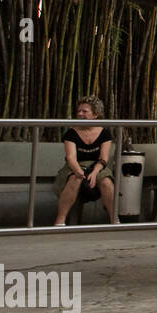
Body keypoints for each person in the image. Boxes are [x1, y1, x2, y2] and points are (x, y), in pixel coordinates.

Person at [52, 96, 115, 226]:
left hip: (98, 166)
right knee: (75, 179)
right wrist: (78, 171)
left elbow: (104, 158)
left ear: (96, 114)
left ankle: (114, 218)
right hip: (75, 165)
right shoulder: (71, 133)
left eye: (85, 111)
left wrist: (95, 172)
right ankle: (60, 219)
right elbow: (70, 157)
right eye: (79, 111)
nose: (80, 114)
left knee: (106, 182)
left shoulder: (105, 133)